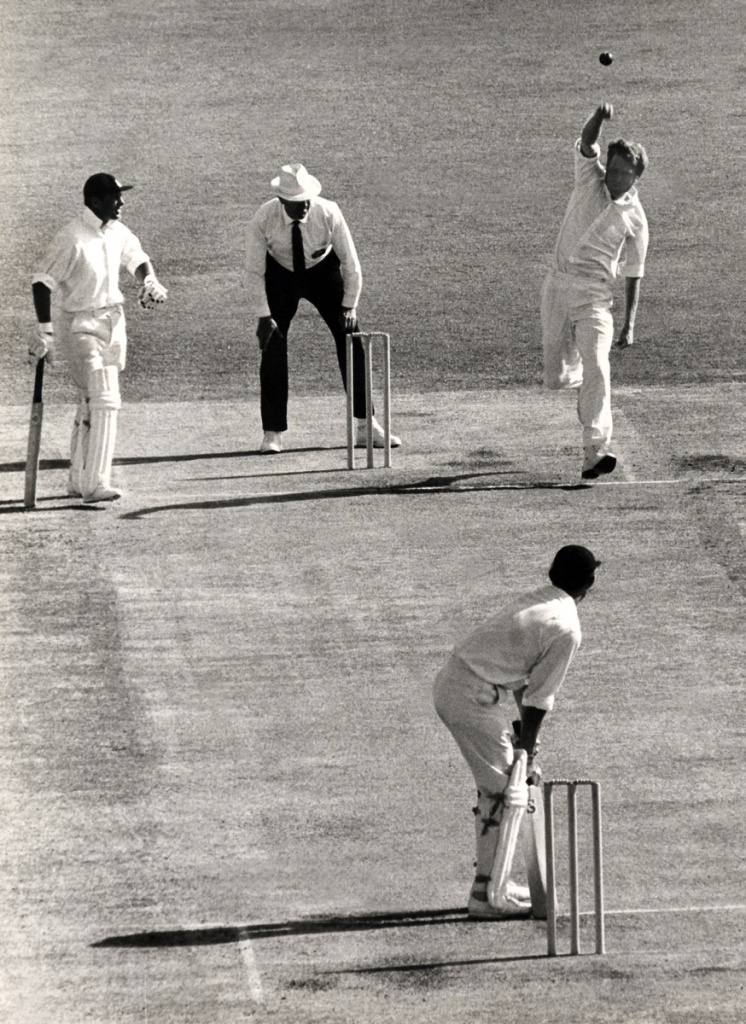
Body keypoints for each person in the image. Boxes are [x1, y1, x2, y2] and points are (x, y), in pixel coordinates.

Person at [433, 545, 601, 919]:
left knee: (506, 785)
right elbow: (540, 699)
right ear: (589, 585)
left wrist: (529, 745)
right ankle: (486, 895)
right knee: (505, 790)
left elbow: (527, 682)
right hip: (469, 696)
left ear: (551, 573)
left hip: (460, 686)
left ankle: (497, 883)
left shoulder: (538, 601)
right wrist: (526, 751)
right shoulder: (567, 629)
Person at [29, 173, 167, 503]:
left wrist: (149, 281)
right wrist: (45, 332)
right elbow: (41, 282)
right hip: (80, 325)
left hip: (113, 322)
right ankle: (95, 484)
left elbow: (137, 259)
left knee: (90, 401)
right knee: (105, 398)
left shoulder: (117, 231)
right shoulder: (71, 238)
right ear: (94, 201)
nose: (121, 203)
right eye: (114, 197)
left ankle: (78, 479)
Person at [245, 163, 402, 454]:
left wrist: (349, 306)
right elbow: (254, 271)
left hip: (323, 272)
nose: (303, 206)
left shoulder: (328, 211)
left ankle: (367, 426)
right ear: (281, 202)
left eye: (306, 200)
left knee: (352, 339)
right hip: (280, 274)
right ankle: (273, 432)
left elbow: (351, 265)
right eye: (295, 203)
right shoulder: (263, 218)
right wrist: (263, 315)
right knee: (273, 346)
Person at [541, 102, 649, 479]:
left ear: (636, 176)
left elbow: (635, 272)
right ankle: (579, 382)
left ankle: (595, 449)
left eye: (622, 172)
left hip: (595, 297)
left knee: (599, 367)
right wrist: (599, 119)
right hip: (557, 286)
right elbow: (587, 142)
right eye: (613, 168)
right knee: (555, 377)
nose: (614, 177)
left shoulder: (636, 218)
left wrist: (629, 325)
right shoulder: (590, 176)